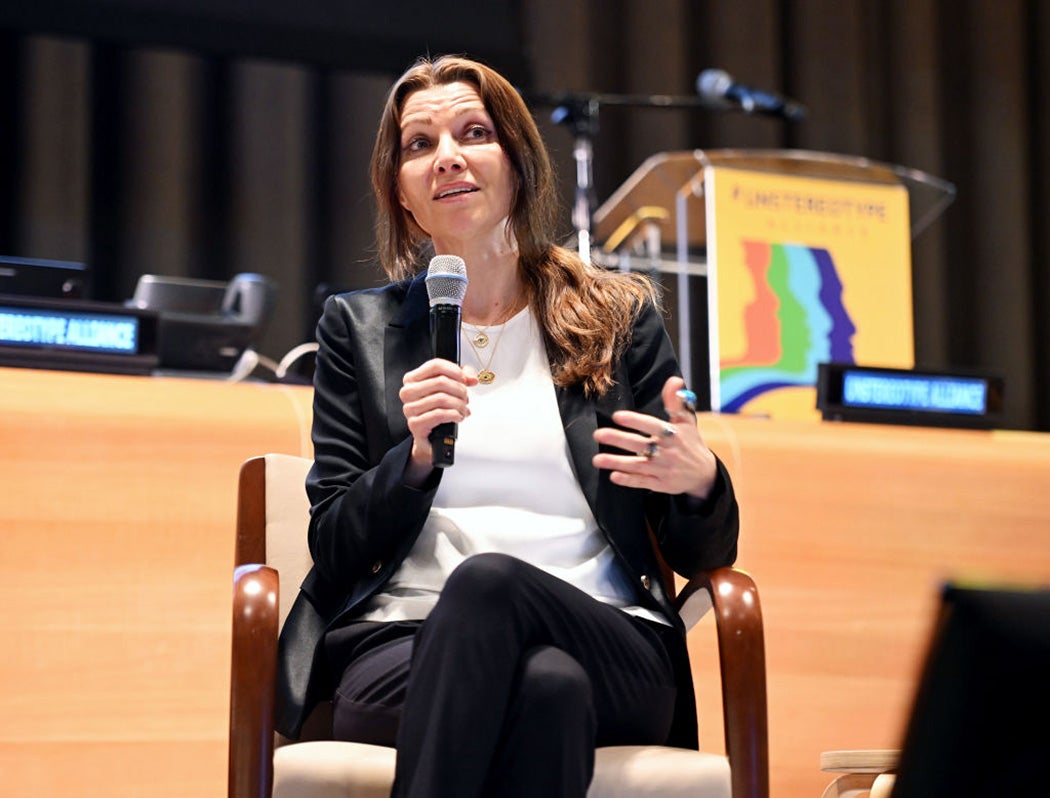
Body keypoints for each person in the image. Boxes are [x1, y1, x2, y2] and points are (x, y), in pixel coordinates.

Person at [276, 54, 740, 798]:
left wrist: (700, 482)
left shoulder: (618, 321)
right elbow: (332, 545)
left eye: (473, 132)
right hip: (406, 644)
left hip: (610, 639)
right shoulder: (356, 329)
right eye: (419, 144)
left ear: (518, 162)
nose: (448, 156)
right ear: (400, 192)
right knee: (547, 692)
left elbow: (703, 553)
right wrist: (415, 459)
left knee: (490, 586)